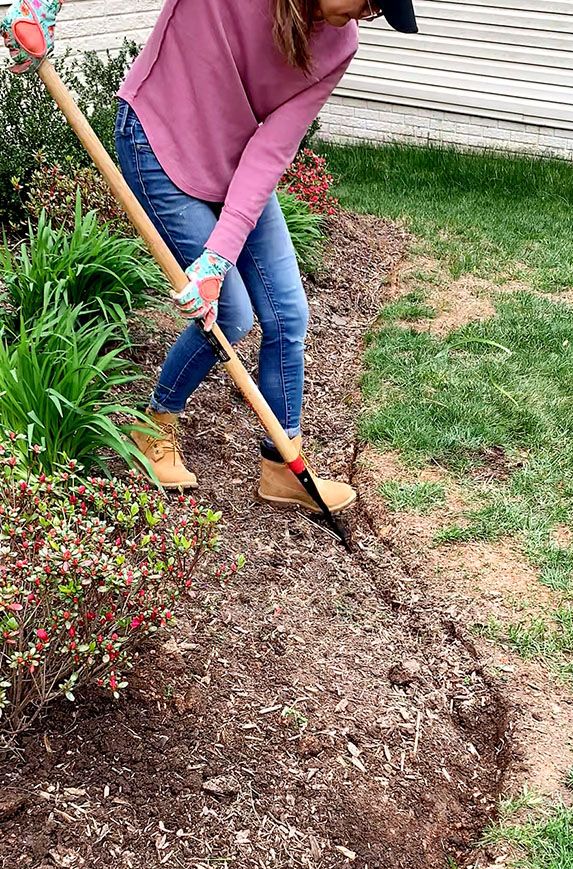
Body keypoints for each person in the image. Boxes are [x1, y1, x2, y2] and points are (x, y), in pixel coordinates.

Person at [2, 0, 417, 512]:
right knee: (232, 315)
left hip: (236, 162)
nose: (368, 12)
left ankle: (282, 465)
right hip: (157, 140)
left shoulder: (340, 43)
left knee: (288, 313)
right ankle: (154, 422)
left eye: (378, 7)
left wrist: (219, 257)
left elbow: (271, 149)